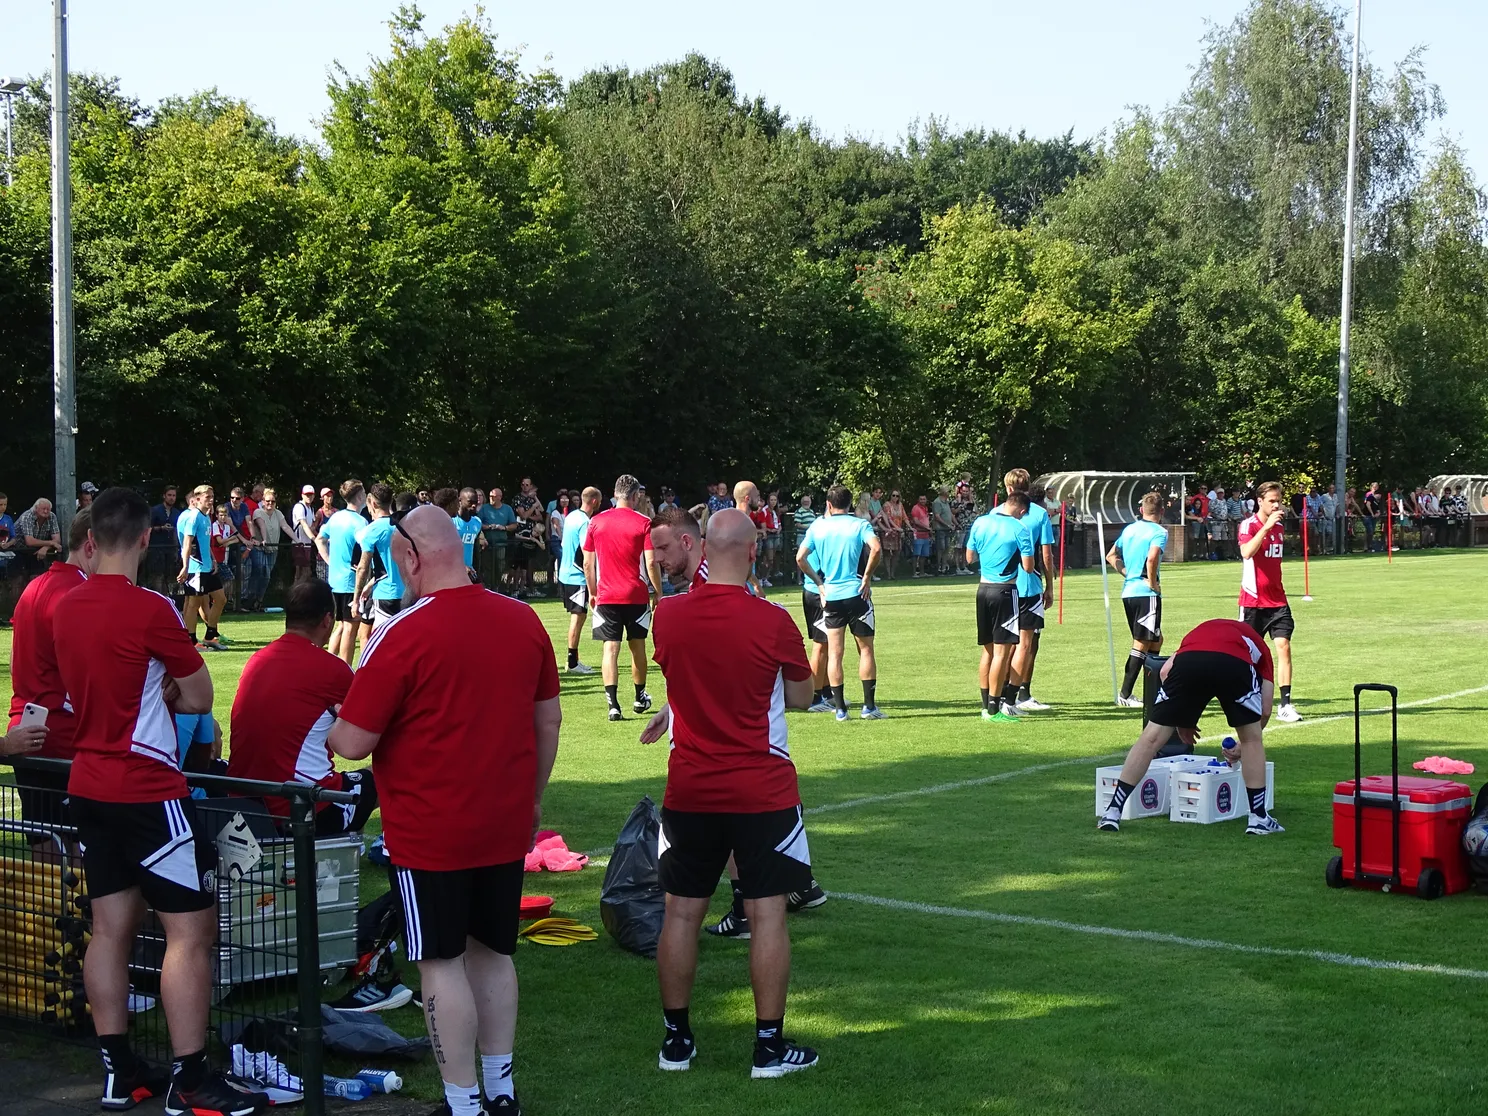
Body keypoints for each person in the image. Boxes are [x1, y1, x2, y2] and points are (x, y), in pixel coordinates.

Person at [328, 506, 560, 1116]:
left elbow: (351, 744)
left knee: (440, 961)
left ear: (408, 557)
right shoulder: (523, 619)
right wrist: (533, 798)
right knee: (492, 952)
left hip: (431, 828)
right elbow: (548, 720)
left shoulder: (402, 631)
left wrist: (330, 725)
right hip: (504, 818)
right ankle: (500, 1089)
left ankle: (462, 1102)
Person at [53, 487, 263, 1116]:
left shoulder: (66, 605)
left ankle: (119, 1071)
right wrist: (167, 691)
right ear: (147, 538)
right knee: (191, 931)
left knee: (111, 928)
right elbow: (199, 696)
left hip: (87, 782)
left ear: (92, 539)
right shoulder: (150, 609)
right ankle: (191, 1078)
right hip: (147, 787)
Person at [640, 509, 820, 1079]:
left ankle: (676, 1041)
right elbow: (802, 697)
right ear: (751, 552)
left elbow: (683, 681)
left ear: (702, 548)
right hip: (760, 789)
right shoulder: (772, 620)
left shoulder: (668, 617)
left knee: (681, 914)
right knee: (767, 916)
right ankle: (767, 1048)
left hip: (690, 787)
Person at [1097, 617, 1284, 836]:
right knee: (1251, 739)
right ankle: (1258, 818)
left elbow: (1166, 672)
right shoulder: (1260, 648)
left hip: (1189, 661)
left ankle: (1113, 811)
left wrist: (1183, 719)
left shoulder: (1199, 633)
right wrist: (1244, 746)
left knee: (1151, 738)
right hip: (1234, 664)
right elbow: (1266, 709)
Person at [227, 579, 378, 837]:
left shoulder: (258, 660)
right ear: (327, 620)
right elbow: (370, 727)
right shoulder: (332, 670)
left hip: (244, 804)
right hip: (298, 807)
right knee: (381, 774)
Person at [7, 507, 97, 862]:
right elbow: (89, 673)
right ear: (92, 544)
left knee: (43, 847)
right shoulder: (80, 594)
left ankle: (60, 916)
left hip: (26, 729)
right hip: (63, 739)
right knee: (80, 851)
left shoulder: (35, 586)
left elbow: (17, 660)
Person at [796, 485, 883, 721]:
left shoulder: (818, 526)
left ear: (828, 504)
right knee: (865, 650)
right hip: (857, 594)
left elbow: (800, 558)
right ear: (850, 503)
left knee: (834, 653)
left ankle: (841, 711)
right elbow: (876, 548)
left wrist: (820, 584)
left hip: (831, 596)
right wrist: (866, 577)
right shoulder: (859, 524)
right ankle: (869, 707)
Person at [583, 475, 664, 721]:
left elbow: (588, 563)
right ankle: (639, 697)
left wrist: (593, 591)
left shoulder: (596, 522)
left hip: (606, 594)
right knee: (637, 646)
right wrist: (658, 591)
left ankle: (613, 705)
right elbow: (650, 561)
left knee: (610, 648)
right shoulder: (643, 522)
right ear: (634, 495)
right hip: (635, 594)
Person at [966, 490, 1034, 721]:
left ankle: (985, 705)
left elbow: (969, 557)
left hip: (983, 589)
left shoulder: (981, 521)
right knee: (1002, 653)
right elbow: (1027, 566)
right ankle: (994, 709)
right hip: (1005, 591)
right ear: (1022, 511)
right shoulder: (1019, 528)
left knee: (987, 650)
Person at [1239, 482, 1302, 723]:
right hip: (1253, 601)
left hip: (1277, 600)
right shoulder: (1250, 525)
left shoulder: (1279, 528)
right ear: (1260, 501)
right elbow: (1246, 552)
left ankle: (1285, 704)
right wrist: (1265, 527)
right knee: (1249, 655)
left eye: (1279, 500)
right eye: (1272, 501)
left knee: (1284, 646)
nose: (1277, 505)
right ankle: (1247, 697)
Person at [996, 469, 1057, 711]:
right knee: (1027, 643)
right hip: (1029, 586)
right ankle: (1018, 695)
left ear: (1008, 488)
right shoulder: (1039, 514)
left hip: (1000, 586)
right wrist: (1050, 586)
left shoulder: (994, 513)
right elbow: (1046, 554)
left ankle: (997, 697)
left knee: (1003, 644)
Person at [1108, 492, 1168, 708]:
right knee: (1141, 643)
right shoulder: (1159, 532)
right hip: (1146, 593)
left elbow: (1111, 555)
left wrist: (1128, 573)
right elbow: (1152, 558)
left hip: (1129, 592)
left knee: (1156, 640)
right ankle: (1125, 694)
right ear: (1162, 511)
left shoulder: (1129, 529)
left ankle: (1152, 690)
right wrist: (1152, 582)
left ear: (1142, 510)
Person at [316, 481, 367, 667]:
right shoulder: (360, 522)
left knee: (341, 624)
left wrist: (330, 560)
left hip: (334, 579)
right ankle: (344, 668)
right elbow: (365, 551)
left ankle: (327, 665)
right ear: (360, 496)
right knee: (350, 628)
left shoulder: (336, 518)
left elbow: (319, 539)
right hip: (351, 581)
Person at [351, 483, 405, 636]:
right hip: (407, 592)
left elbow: (363, 567)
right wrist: (370, 584)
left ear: (373, 504)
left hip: (386, 595)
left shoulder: (373, 530)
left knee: (380, 639)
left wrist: (356, 599)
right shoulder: (402, 526)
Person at [557, 487, 601, 674]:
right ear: (594, 501)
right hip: (576, 576)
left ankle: (573, 659)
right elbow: (586, 554)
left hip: (565, 573)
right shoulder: (585, 522)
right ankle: (572, 662)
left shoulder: (572, 516)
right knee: (578, 617)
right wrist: (593, 583)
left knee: (579, 616)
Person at [177, 486, 226, 652]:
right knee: (193, 603)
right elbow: (187, 543)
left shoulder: (206, 517)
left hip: (207, 566)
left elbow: (205, 542)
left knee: (221, 599)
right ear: (197, 499)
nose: (211, 500)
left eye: (212, 496)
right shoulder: (194, 517)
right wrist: (185, 567)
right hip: (195, 567)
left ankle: (210, 636)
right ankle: (190, 641)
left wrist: (213, 559)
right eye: (207, 497)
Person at [244, 489, 291, 612]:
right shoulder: (258, 512)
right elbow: (262, 525)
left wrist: (296, 540)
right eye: (268, 501)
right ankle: (249, 600)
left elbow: (285, 526)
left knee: (266, 576)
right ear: (263, 501)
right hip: (259, 547)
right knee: (261, 570)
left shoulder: (278, 513)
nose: (270, 503)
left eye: (273, 501)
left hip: (272, 549)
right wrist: (264, 539)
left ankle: (258, 601)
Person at [480, 487, 518, 593]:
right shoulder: (484, 508)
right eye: (490, 496)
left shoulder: (507, 509)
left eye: (494, 497)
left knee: (500, 566)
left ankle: (496, 586)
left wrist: (504, 528)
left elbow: (514, 525)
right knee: (487, 567)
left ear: (500, 497)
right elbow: (478, 524)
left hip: (501, 543)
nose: (491, 498)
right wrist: (488, 527)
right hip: (487, 543)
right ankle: (488, 588)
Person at [16, 498, 62, 564]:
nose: (46, 511)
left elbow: (57, 540)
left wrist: (46, 547)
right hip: (19, 550)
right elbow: (29, 541)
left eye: (48, 509)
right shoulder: (27, 516)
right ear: (36, 508)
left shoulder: (52, 516)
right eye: (43, 509)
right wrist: (51, 543)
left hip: (37, 550)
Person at [453, 488, 487, 569]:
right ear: (460, 500)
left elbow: (476, 550)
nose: (474, 505)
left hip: (470, 571)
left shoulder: (477, 522)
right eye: (470, 502)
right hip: (453, 571)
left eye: (475, 502)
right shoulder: (451, 521)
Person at [876, 492, 907, 580]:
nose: (895, 497)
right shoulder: (887, 505)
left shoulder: (900, 505)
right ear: (890, 496)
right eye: (893, 495)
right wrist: (895, 528)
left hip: (897, 532)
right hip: (888, 531)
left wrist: (910, 527)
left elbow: (904, 517)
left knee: (896, 552)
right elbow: (888, 518)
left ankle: (893, 573)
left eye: (897, 496)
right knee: (887, 553)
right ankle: (888, 574)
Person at [931, 487, 954, 575]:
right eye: (948, 491)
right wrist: (947, 524)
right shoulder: (937, 502)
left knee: (947, 548)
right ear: (943, 492)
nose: (949, 493)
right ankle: (938, 567)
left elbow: (950, 514)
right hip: (940, 529)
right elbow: (937, 516)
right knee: (941, 548)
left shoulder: (946, 502)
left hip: (947, 529)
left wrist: (954, 523)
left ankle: (944, 567)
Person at [908, 495, 933, 577]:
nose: (922, 501)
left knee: (924, 555)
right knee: (916, 554)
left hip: (925, 535)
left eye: (924, 499)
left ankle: (922, 573)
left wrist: (928, 530)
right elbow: (916, 521)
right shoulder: (915, 508)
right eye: (921, 499)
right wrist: (927, 528)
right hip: (918, 534)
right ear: (918, 500)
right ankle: (914, 573)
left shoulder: (925, 508)